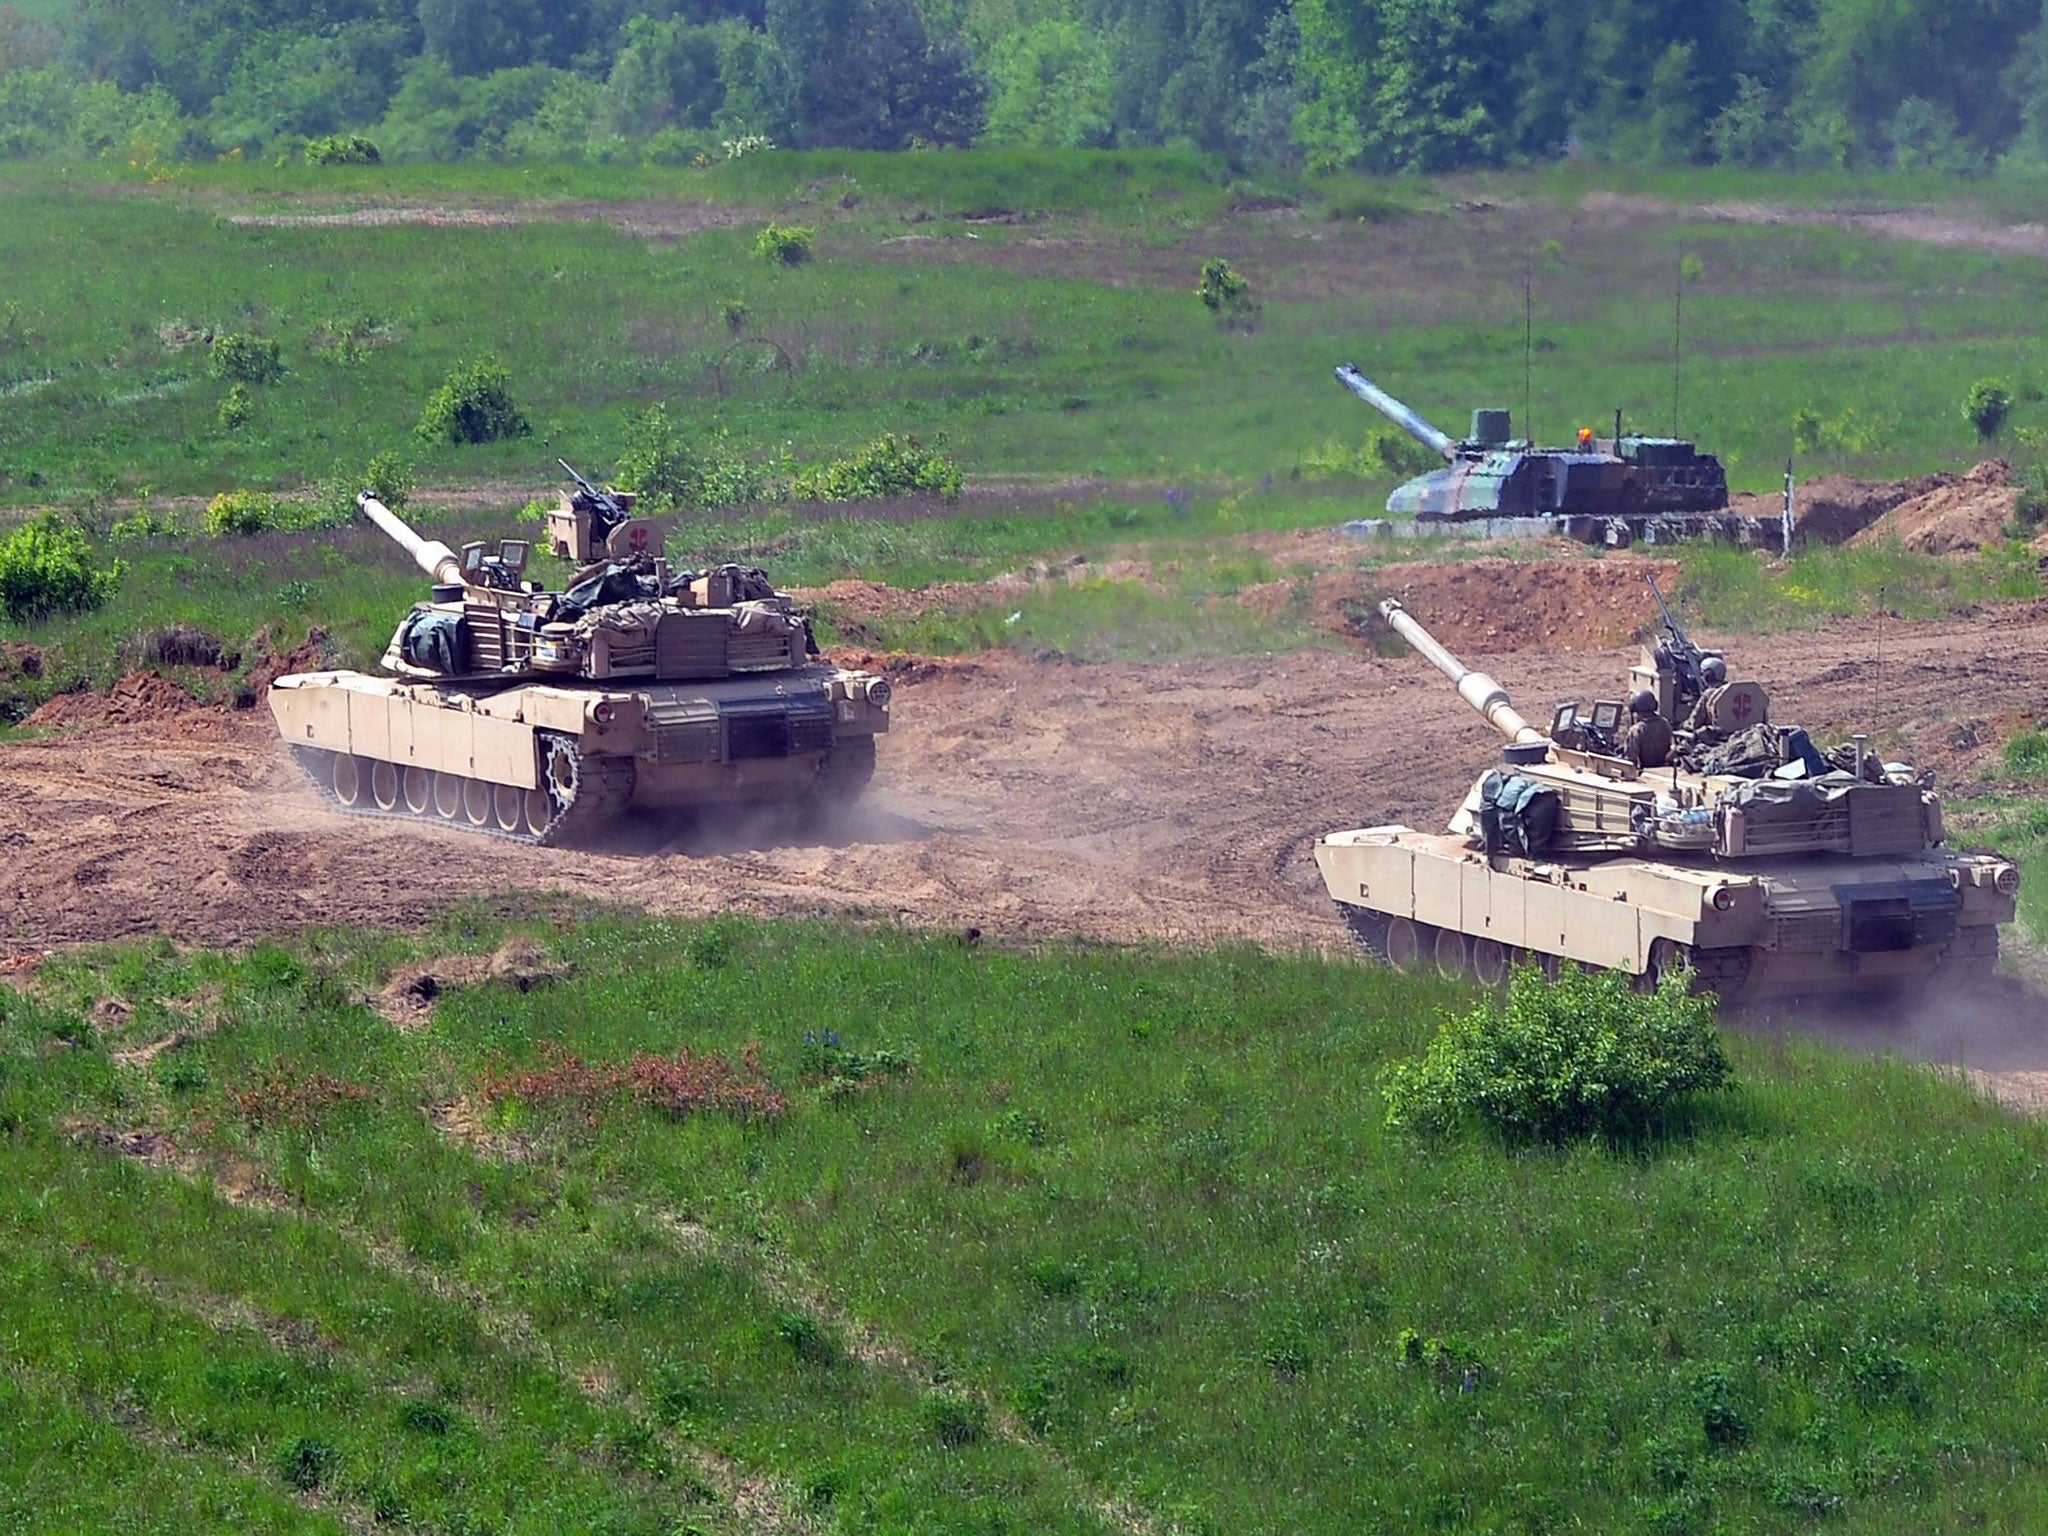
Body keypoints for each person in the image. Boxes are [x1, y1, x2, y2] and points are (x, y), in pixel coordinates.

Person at [1623, 689, 1673, 770]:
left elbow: (1630, 760)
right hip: (1665, 770)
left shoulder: (1636, 730)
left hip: (1647, 774)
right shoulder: (1664, 723)